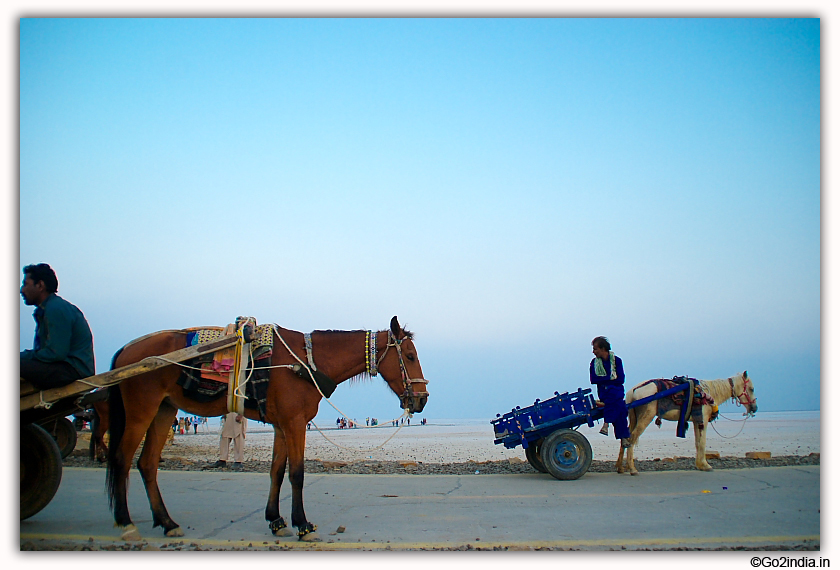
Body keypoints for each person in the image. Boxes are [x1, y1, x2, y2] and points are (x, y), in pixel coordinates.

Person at [20, 263, 95, 390]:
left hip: (72, 370)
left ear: (40, 285)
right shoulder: (47, 309)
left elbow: (55, 354)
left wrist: (24, 356)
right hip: (64, 367)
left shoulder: (56, 309)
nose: (22, 290)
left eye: (25, 284)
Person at [589, 336, 631, 448]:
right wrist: (610, 379)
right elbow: (594, 380)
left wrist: (605, 380)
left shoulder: (617, 361)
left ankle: (606, 423)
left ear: (603, 349)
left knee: (615, 398)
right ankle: (623, 437)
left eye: (595, 349)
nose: (593, 352)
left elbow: (621, 379)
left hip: (616, 391)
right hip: (605, 393)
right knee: (620, 406)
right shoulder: (594, 363)